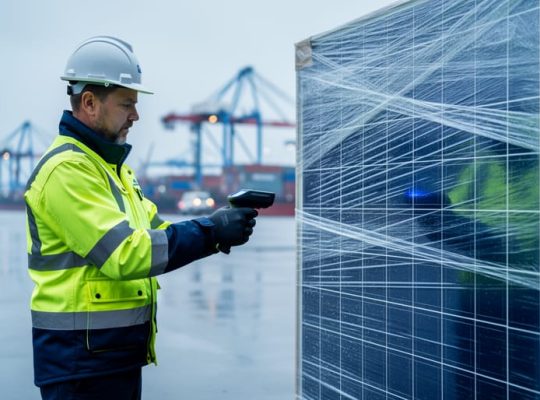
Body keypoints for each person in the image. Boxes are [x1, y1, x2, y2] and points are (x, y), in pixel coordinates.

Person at [24, 36, 258, 400]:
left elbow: (157, 232)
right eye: (127, 104)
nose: (136, 115)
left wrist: (219, 228)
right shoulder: (67, 171)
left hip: (109, 357)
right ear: (89, 103)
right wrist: (211, 229)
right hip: (79, 367)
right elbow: (126, 254)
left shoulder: (113, 171)